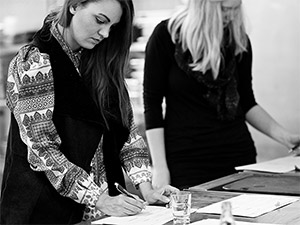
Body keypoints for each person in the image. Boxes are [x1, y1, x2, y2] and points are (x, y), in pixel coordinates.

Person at [0, 0, 178, 224]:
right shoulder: (35, 61)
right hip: (44, 212)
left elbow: (126, 131)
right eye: (100, 20)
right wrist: (98, 198)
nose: (104, 33)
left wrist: (147, 189)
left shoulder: (101, 58)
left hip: (101, 213)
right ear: (74, 5)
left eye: (112, 27)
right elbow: (42, 149)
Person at [143, 0, 300, 190]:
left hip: (236, 156)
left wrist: (286, 137)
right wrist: (159, 168)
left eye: (236, 9)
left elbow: (247, 102)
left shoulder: (238, 41)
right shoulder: (166, 36)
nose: (232, 16)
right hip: (185, 159)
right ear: (205, 7)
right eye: (225, 10)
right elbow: (152, 104)